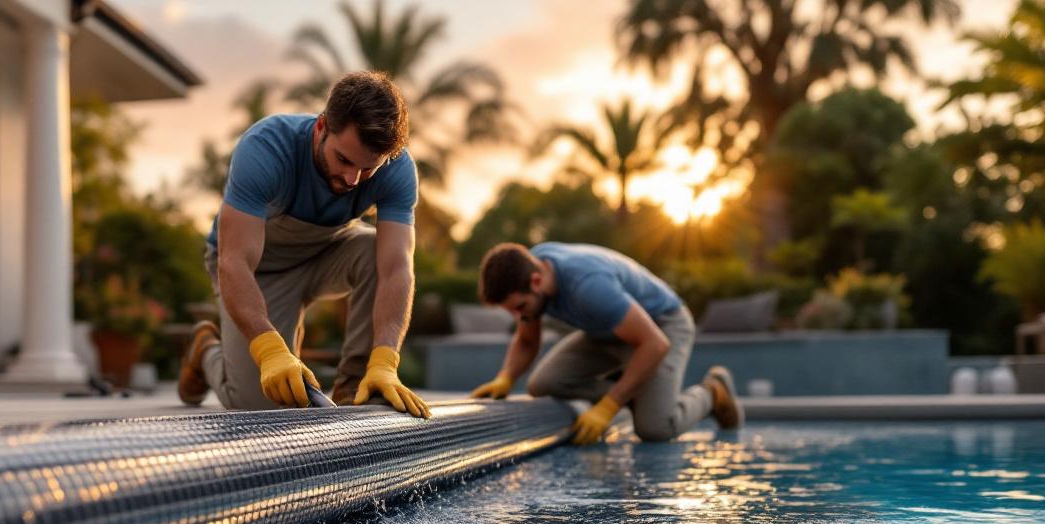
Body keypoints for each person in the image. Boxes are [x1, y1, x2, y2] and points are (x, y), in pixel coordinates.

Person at [177, 71, 430, 418]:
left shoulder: (398, 169)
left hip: (327, 252)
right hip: (259, 270)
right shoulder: (266, 148)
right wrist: (269, 350)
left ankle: (357, 388)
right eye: (344, 160)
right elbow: (233, 262)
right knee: (259, 404)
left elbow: (396, 268)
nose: (352, 179)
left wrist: (386, 359)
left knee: (377, 250)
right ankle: (205, 348)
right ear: (322, 127)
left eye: (368, 169)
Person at [470, 241, 743, 443]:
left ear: (537, 281)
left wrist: (609, 405)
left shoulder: (588, 285)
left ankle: (713, 392)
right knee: (543, 385)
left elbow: (655, 344)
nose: (519, 317)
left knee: (655, 428)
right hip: (607, 330)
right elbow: (528, 341)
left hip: (662, 326)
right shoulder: (530, 269)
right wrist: (505, 377)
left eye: (520, 307)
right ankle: (640, 394)